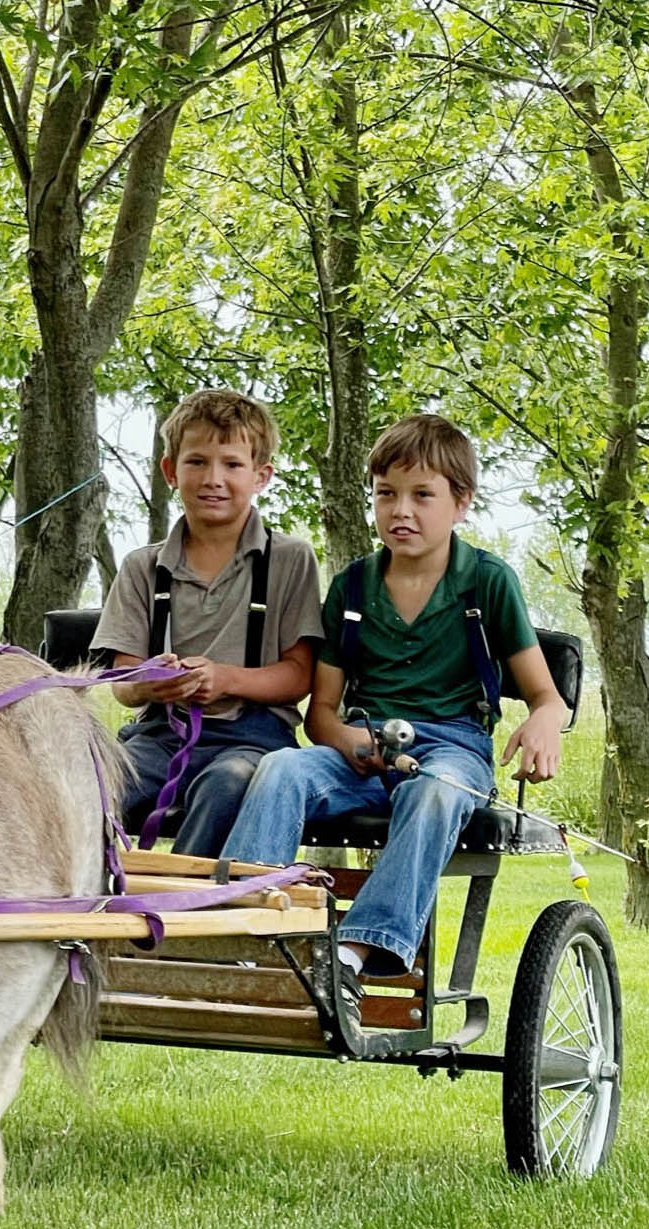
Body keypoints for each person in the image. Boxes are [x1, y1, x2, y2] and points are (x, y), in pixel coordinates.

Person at [221, 413, 568, 1036]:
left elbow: (546, 696)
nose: (400, 511)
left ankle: (356, 953)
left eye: (422, 495)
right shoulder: (353, 585)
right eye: (386, 494)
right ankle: (247, 929)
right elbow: (321, 713)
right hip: (363, 745)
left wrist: (544, 722)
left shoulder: (488, 582)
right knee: (280, 768)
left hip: (452, 747)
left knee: (436, 794)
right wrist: (347, 739)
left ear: (461, 503)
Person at [90, 390, 324, 857]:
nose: (213, 479)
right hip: (158, 737)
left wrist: (224, 679)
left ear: (261, 476)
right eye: (197, 462)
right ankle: (92, 903)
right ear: (170, 471)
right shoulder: (143, 567)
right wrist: (153, 681)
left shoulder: (290, 559)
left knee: (231, 783)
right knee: (92, 782)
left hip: (252, 741)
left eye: (232, 465)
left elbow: (299, 676)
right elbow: (123, 682)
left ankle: (186, 911)